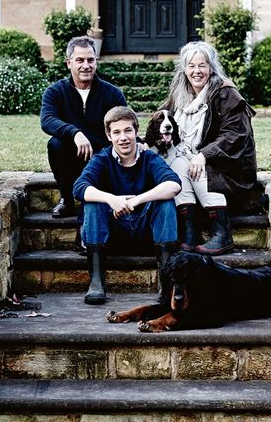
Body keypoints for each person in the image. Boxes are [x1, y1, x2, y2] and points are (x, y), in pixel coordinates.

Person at [73, 106, 181, 305]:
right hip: (112, 234)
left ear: (136, 132)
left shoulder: (149, 158)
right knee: (93, 204)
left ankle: (167, 283)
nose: (123, 137)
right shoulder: (102, 159)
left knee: (165, 202)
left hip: (146, 233)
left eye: (128, 131)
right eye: (117, 132)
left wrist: (136, 200)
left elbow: (174, 184)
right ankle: (96, 281)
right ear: (108, 135)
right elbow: (79, 187)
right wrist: (111, 199)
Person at [161, 40, 258, 255]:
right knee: (176, 164)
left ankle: (222, 234)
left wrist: (203, 154)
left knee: (194, 165)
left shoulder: (226, 94)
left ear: (211, 67)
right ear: (184, 69)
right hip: (194, 162)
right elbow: (162, 121)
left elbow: (235, 136)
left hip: (229, 167)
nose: (197, 71)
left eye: (202, 65)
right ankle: (189, 232)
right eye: (191, 66)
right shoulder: (180, 94)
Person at [40, 36, 126, 219]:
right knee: (55, 144)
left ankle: (102, 200)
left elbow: (124, 123)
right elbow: (47, 120)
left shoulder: (112, 94)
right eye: (80, 60)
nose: (86, 65)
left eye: (90, 60)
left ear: (96, 62)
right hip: (71, 155)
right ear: (68, 63)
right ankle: (67, 200)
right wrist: (75, 132)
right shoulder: (55, 92)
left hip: (102, 157)